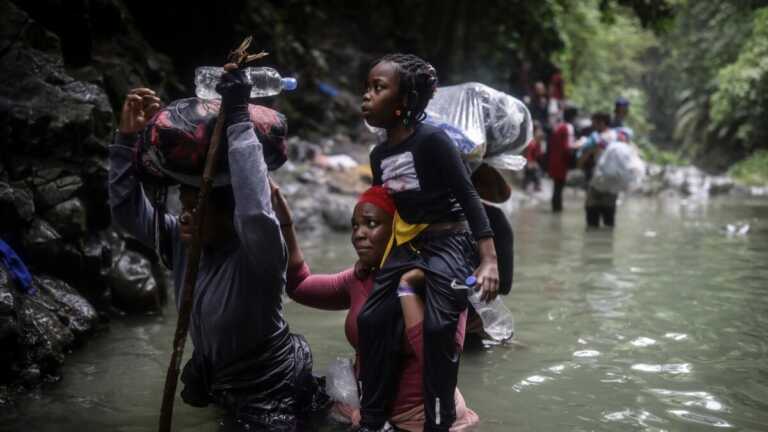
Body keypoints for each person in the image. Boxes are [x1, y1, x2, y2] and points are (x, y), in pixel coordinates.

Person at [109, 69, 327, 431]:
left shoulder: (258, 255)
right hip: (223, 383)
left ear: (230, 215)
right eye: (184, 203)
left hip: (274, 391)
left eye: (198, 206)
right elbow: (126, 211)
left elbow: (256, 211)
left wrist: (240, 118)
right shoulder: (183, 245)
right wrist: (127, 141)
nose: (185, 214)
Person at [357, 53, 499, 432]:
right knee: (371, 319)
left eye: (378, 88)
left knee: (438, 328)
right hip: (411, 244)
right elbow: (386, 211)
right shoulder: (379, 153)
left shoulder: (433, 140)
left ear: (402, 103)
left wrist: (488, 260)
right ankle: (372, 418)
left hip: (452, 241)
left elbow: (468, 197)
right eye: (368, 87)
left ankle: (439, 421)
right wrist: (373, 259)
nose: (366, 96)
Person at [271, 184, 480, 431]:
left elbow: (439, 363)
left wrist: (407, 288)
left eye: (371, 224)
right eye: (355, 225)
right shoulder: (362, 277)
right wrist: (286, 224)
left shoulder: (441, 281)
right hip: (368, 412)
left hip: (422, 420)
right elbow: (299, 286)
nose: (358, 234)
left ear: (399, 230)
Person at [577, 112, 618, 228]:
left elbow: (583, 159)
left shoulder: (596, 138)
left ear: (601, 123)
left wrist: (579, 163)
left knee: (592, 219)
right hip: (613, 184)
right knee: (609, 222)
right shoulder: (616, 136)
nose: (592, 125)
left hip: (597, 181)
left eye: (594, 123)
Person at [547, 104, 578, 212]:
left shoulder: (558, 126)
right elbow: (568, 147)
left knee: (556, 187)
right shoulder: (568, 127)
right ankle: (557, 210)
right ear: (573, 116)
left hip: (554, 160)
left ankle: (555, 210)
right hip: (562, 162)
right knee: (559, 188)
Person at [522, 120, 545, 192]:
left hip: (532, 161)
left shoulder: (537, 141)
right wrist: (530, 162)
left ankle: (534, 185)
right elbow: (528, 153)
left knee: (535, 172)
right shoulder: (531, 142)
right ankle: (533, 185)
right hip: (528, 162)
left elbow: (539, 154)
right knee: (534, 172)